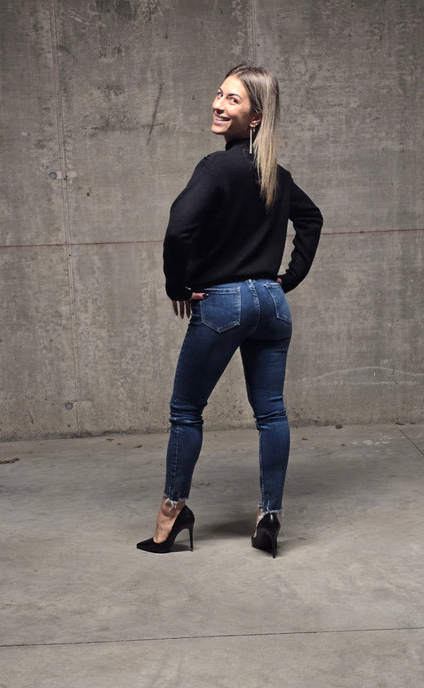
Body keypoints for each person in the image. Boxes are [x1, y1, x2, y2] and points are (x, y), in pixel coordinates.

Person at [137, 64, 323, 557]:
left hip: (224, 303)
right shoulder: (276, 174)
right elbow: (312, 219)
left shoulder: (216, 168)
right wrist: (287, 279)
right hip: (272, 304)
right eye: (219, 94)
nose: (219, 104)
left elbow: (178, 230)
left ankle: (171, 515)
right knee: (271, 413)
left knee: (186, 412)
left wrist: (177, 285)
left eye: (233, 100)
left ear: (255, 116)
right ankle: (269, 514)